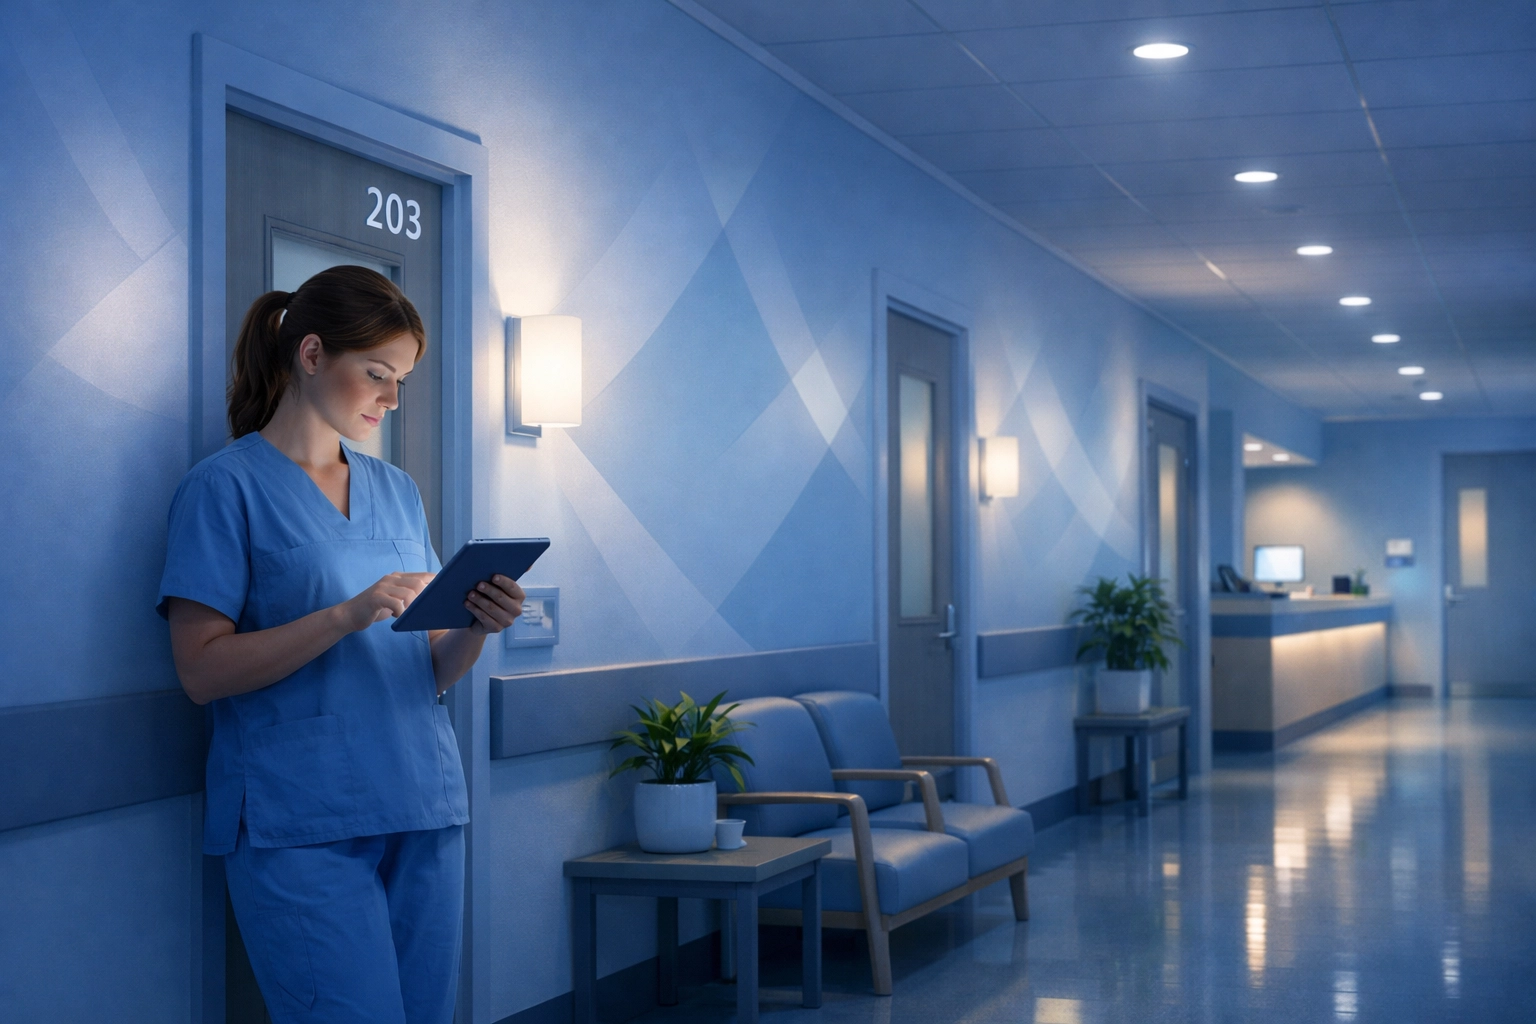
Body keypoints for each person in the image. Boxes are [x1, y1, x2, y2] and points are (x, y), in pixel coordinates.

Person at [158, 265, 522, 1024]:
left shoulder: (396, 489)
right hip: (301, 824)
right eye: (379, 375)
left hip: (420, 802)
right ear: (313, 355)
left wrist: (476, 628)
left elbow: (428, 669)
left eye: (403, 381)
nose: (392, 399)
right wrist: (342, 616)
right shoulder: (222, 489)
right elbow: (199, 670)